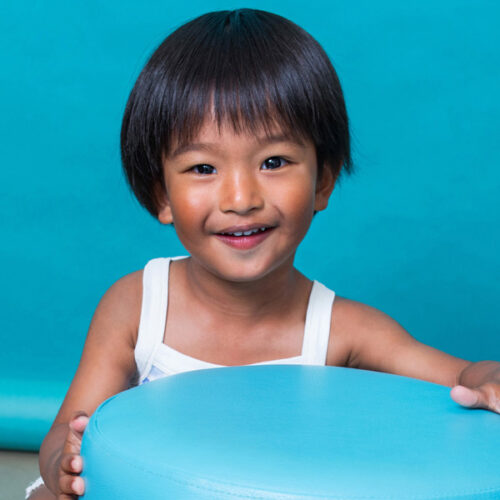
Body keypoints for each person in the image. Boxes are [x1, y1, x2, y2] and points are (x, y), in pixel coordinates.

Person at [27, 8, 500, 500]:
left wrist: (487, 374)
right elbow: (66, 430)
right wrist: (64, 461)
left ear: (322, 182)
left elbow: (461, 376)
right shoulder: (137, 306)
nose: (241, 198)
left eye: (273, 161)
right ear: (161, 196)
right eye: (203, 168)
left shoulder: (345, 330)